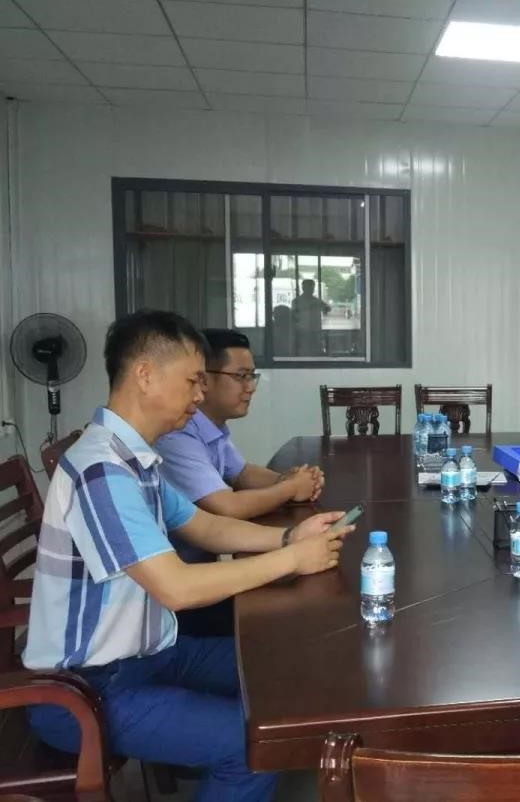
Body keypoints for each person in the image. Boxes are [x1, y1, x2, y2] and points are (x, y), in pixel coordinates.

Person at [22, 310, 353, 801]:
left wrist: (290, 537)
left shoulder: (137, 460)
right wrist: (293, 560)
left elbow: (208, 527)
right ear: (145, 375)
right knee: (251, 747)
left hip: (153, 653)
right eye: (193, 381)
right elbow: (175, 586)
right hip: (87, 689)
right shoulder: (102, 471)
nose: (200, 395)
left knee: (282, 667)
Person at [156, 328, 324, 522]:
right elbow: (227, 507)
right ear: (204, 380)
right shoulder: (177, 433)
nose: (251, 387)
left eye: (252, 376)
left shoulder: (212, 425)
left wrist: (293, 479)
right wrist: (291, 488)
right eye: (241, 376)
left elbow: (241, 473)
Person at [291, 278, 330, 355]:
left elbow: (328, 308)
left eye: (312, 288)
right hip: (303, 332)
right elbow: (293, 316)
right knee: (304, 352)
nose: (311, 289)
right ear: (303, 288)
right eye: (309, 287)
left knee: (315, 352)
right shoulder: (297, 301)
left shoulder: (317, 301)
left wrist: (324, 308)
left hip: (314, 331)